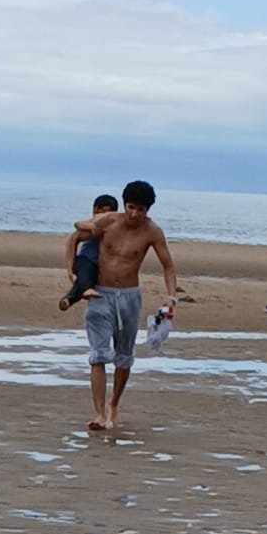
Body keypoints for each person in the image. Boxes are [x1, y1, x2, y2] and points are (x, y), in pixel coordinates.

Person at [72, 179, 178, 432]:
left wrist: (171, 296)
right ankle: (99, 414)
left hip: (129, 297)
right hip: (100, 293)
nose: (134, 214)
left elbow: (168, 265)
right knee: (98, 355)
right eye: (131, 207)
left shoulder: (152, 232)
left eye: (140, 209)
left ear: (147, 210)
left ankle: (114, 406)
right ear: (124, 204)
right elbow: (76, 232)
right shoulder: (109, 221)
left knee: (123, 356)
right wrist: (73, 273)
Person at [60, 193, 117, 311]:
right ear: (95, 210)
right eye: (102, 212)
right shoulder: (92, 224)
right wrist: (70, 270)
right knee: (86, 272)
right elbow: (76, 228)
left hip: (99, 265)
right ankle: (85, 290)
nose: (104, 216)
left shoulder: (112, 226)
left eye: (108, 213)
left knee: (85, 279)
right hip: (85, 260)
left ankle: (69, 299)